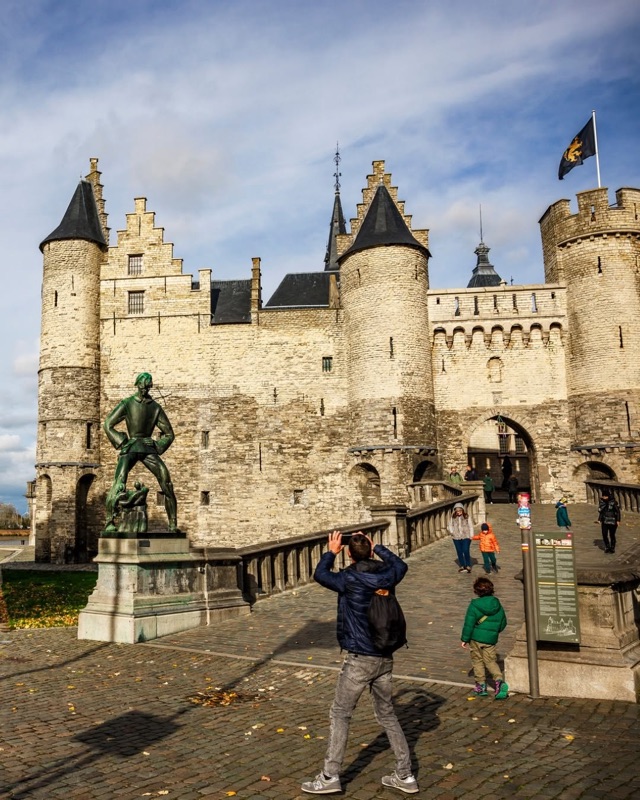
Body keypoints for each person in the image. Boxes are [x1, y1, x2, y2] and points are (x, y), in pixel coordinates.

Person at [301, 531, 418, 795]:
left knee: (340, 714)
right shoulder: (387, 574)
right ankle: (405, 775)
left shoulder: (348, 578)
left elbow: (320, 575)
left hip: (359, 658)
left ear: (350, 554)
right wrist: (380, 548)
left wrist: (331, 551)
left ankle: (330, 776)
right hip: (384, 656)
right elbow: (401, 565)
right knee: (387, 715)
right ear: (371, 551)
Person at [104, 372, 177, 532]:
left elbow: (169, 433)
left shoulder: (155, 408)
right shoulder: (127, 403)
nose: (145, 390)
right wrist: (122, 441)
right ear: (138, 385)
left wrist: (157, 444)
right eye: (142, 387)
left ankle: (172, 524)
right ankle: (110, 522)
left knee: (166, 480)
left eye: (147, 387)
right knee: (119, 481)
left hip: (147, 448)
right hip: (131, 447)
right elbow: (108, 423)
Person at [460, 576, 508, 699]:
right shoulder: (497, 604)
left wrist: (464, 639)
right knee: (491, 661)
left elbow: (469, 624)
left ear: (476, 591)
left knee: (477, 661)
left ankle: (481, 686)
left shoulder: (474, 605)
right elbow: (503, 623)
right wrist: (494, 632)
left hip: (476, 638)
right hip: (490, 640)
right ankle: (499, 681)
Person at [448, 502, 474, 573]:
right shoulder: (452, 517)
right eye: (457, 511)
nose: (459, 513)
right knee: (459, 551)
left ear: (462, 510)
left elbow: (471, 526)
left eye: (460, 511)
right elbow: (450, 525)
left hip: (466, 536)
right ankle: (462, 565)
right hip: (456, 537)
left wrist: (471, 535)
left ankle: (468, 565)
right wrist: (452, 532)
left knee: (465, 550)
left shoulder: (467, 516)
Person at [597, 489, 621, 554]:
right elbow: (601, 512)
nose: (604, 497)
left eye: (605, 496)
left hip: (613, 521)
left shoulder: (613, 502)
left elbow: (618, 512)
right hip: (604, 521)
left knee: (612, 534)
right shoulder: (602, 502)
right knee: (604, 534)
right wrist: (599, 519)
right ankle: (607, 546)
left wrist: (618, 520)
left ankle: (612, 547)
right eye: (603, 496)